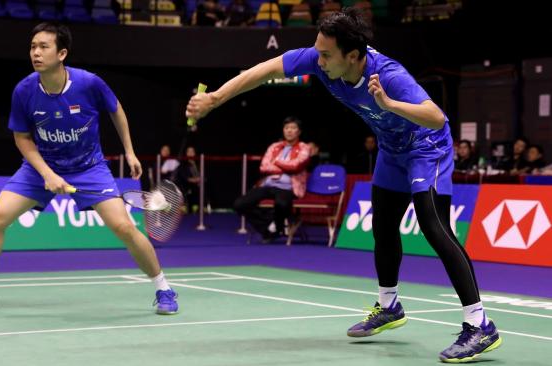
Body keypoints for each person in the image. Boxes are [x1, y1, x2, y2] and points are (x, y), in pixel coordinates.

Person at [186, 8, 500, 362]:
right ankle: (389, 306)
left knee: (434, 226)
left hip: (427, 148)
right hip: (392, 150)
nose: (318, 61)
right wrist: (215, 98)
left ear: (353, 57)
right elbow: (266, 70)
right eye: (317, 52)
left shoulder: (390, 76)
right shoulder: (322, 62)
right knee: (382, 226)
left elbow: (436, 116)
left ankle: (479, 324)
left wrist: (388, 103)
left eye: (325, 55)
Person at [0, 22, 178, 315]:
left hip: (88, 167)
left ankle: (164, 288)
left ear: (62, 53)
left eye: (43, 46)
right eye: (33, 46)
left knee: (123, 226)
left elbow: (116, 110)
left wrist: (130, 151)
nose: (36, 52)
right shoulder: (24, 90)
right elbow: (22, 137)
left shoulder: (89, 83)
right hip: (40, 168)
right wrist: (47, 173)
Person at [233, 117, 310, 242]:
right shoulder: (275, 146)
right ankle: (270, 226)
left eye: (293, 128)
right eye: (286, 128)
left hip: (289, 187)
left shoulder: (304, 148)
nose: (289, 131)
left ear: (299, 131)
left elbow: (296, 166)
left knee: (282, 204)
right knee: (239, 204)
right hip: (268, 185)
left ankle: (273, 227)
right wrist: (285, 167)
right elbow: (264, 166)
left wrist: (277, 162)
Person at [176, 146, 201, 213]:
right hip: (187, 186)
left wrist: (200, 179)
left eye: (192, 151)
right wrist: (194, 180)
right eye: (189, 152)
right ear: (186, 153)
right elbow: (185, 177)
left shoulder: (198, 163)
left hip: (199, 185)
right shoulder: (183, 164)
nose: (190, 153)